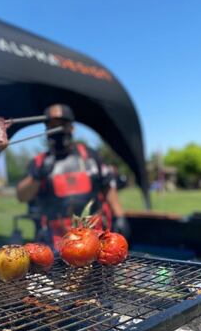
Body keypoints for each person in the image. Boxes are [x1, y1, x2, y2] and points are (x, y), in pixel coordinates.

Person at [16, 104, 130, 248]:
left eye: (62, 124)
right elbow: (22, 196)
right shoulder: (39, 162)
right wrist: (37, 175)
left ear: (72, 127)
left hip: (94, 237)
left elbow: (107, 185)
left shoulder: (90, 156)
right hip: (55, 240)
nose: (58, 129)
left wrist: (119, 215)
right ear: (46, 130)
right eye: (52, 125)